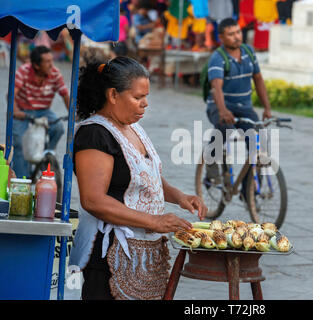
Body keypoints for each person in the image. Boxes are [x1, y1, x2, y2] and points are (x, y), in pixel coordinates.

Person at [68, 56, 207, 300]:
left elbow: (146, 176)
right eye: (137, 97)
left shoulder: (133, 128)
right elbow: (93, 200)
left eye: (146, 97)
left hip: (142, 252)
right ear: (112, 95)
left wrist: (179, 196)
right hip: (108, 254)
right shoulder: (95, 134)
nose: (144, 104)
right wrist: (153, 221)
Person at [205, 18, 272, 200]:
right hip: (219, 104)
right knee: (224, 128)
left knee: (258, 143)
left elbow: (258, 79)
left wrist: (267, 108)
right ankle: (210, 162)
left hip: (244, 107)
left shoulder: (249, 52)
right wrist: (223, 111)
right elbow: (216, 87)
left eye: (238, 32)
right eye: (231, 34)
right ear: (221, 37)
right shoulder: (218, 58)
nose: (236, 37)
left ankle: (246, 190)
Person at [12, 45, 69, 178]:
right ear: (37, 65)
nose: (51, 65)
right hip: (23, 111)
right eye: (47, 62)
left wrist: (73, 113)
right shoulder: (23, 72)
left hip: (44, 111)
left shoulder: (55, 73)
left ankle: (46, 154)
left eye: (51, 60)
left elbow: (65, 94)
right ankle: (22, 181)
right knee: (20, 144)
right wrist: (15, 111)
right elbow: (11, 95)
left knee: (58, 128)